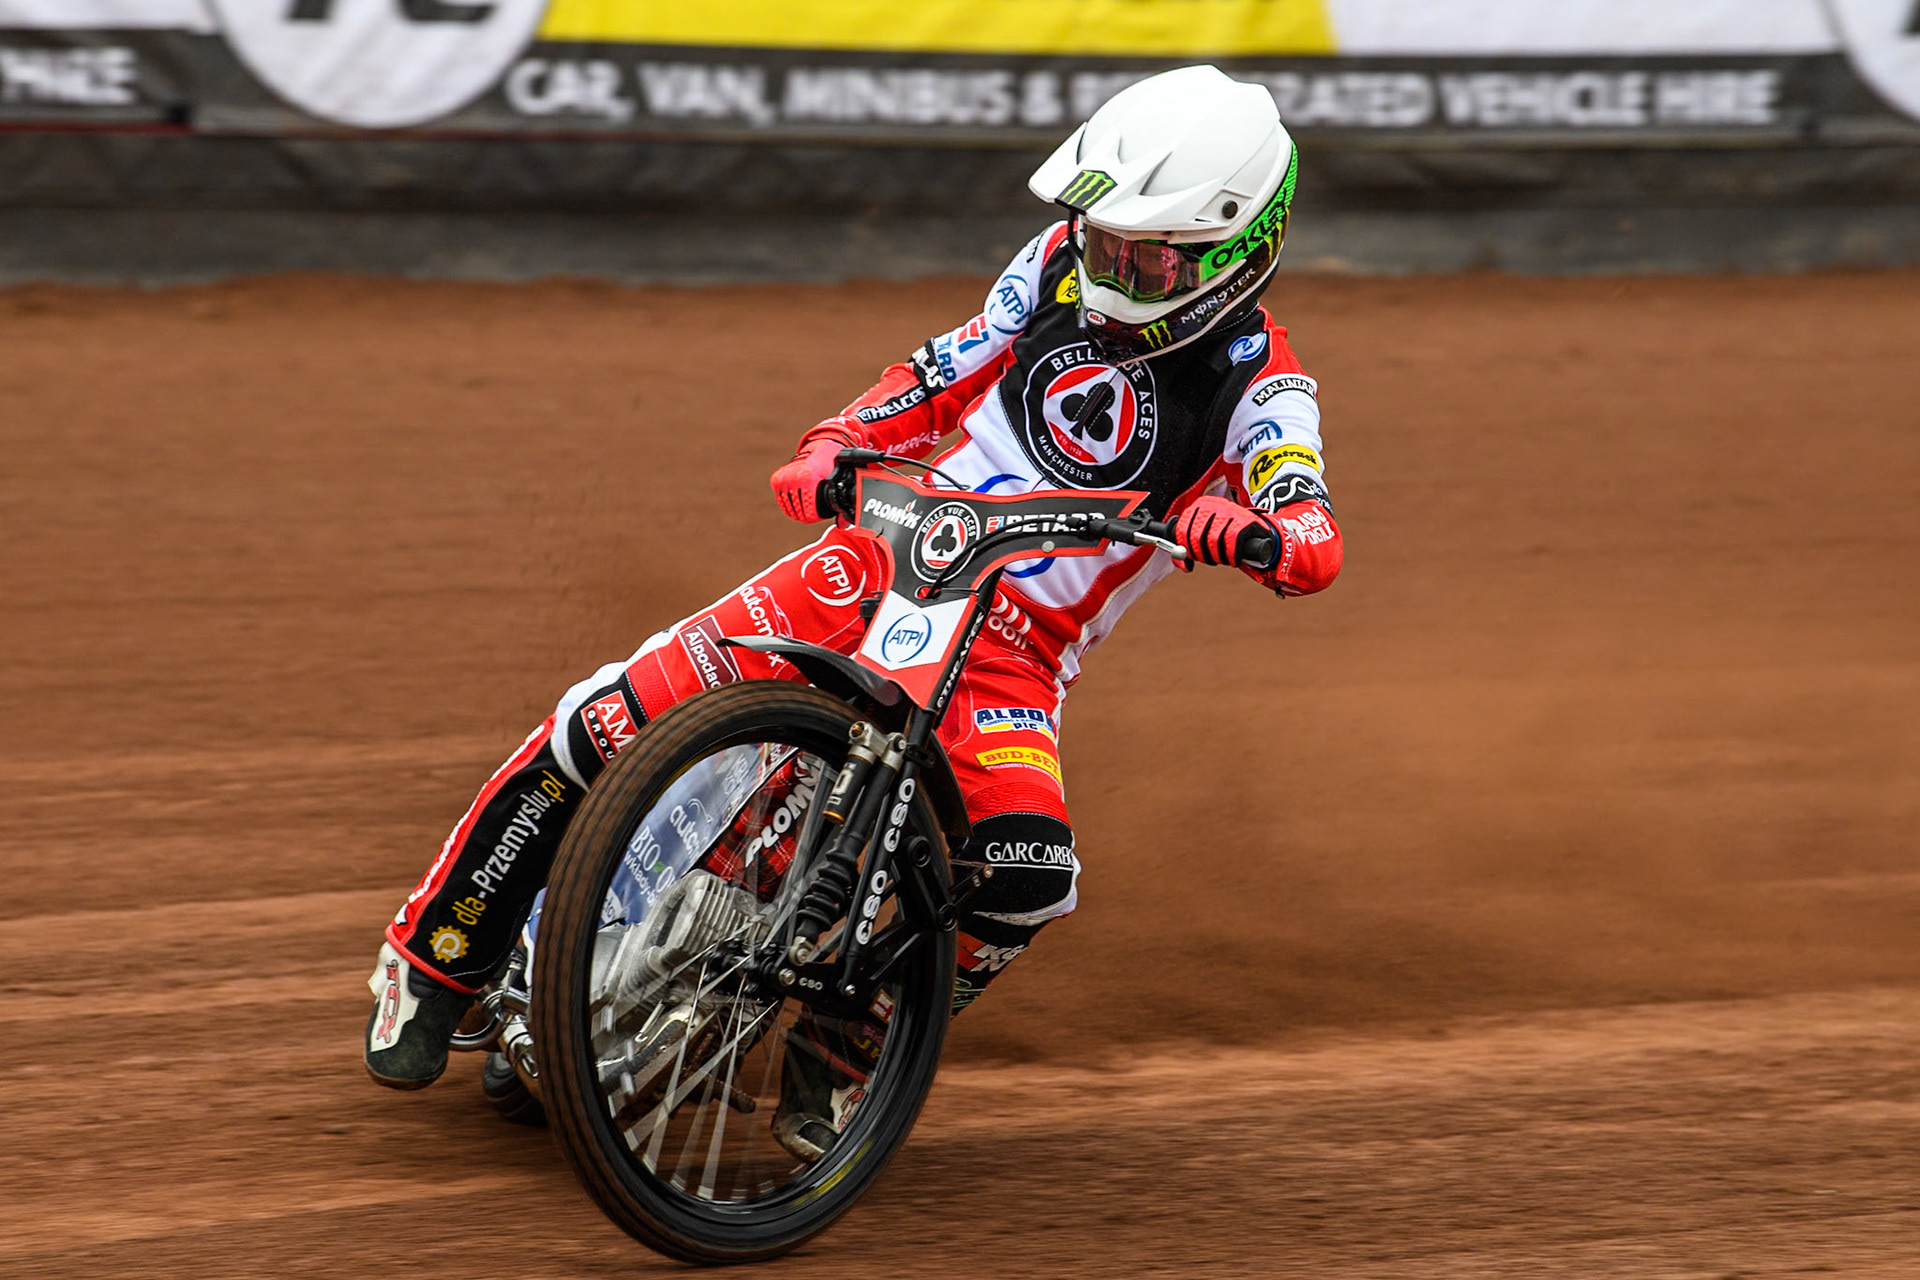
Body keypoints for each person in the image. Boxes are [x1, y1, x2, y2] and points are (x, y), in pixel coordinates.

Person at [364, 63, 1344, 1159]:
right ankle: (434, 955)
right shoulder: (1055, 270)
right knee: (612, 714)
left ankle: (849, 1043)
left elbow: (1311, 526)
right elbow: (943, 369)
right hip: (885, 555)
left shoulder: (1269, 387)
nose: (1107, 265)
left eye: (1143, 252)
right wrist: (839, 439)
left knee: (1026, 877)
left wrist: (1257, 533)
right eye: (1099, 235)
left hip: (1014, 656)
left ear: (1237, 251)